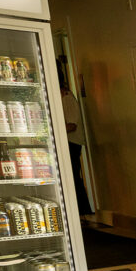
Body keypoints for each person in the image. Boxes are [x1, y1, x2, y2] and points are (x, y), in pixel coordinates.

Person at [57, 60, 92, 216]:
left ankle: (83, 212)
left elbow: (72, 125)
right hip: (67, 142)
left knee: (73, 178)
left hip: (71, 143)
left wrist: (53, 131)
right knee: (70, 177)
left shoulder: (66, 96)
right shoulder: (60, 96)